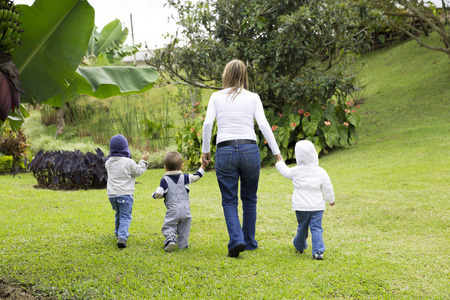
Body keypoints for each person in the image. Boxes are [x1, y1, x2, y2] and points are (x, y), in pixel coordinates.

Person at [201, 59, 282, 258]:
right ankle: (249, 242)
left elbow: (207, 124)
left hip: (225, 150)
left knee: (229, 200)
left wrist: (205, 151)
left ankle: (236, 239)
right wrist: (276, 152)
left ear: (226, 75)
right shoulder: (253, 97)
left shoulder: (216, 97)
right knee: (249, 199)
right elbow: (263, 125)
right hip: (249, 150)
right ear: (244, 76)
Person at [275, 140, 335, 260]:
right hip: (317, 207)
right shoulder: (320, 172)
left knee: (302, 227)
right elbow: (327, 187)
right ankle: (318, 251)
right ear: (314, 153)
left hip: (300, 206)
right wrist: (330, 200)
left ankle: (299, 245)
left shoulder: (296, 171)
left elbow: (285, 172)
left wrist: (280, 162)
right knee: (316, 228)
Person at [152, 151, 207, 252]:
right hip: (186, 210)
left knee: (168, 225)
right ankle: (183, 244)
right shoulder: (185, 177)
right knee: (184, 228)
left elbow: (159, 193)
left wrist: (154, 195)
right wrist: (203, 166)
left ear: (165, 168)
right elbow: (196, 176)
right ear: (182, 166)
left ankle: (171, 239)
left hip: (173, 210)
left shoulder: (164, 180)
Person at [105, 134, 149, 249]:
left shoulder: (108, 162)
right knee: (125, 216)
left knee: (118, 214)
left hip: (112, 195)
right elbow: (138, 171)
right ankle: (122, 238)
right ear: (125, 148)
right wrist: (143, 161)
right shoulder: (128, 162)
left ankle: (117, 232)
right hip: (125, 194)